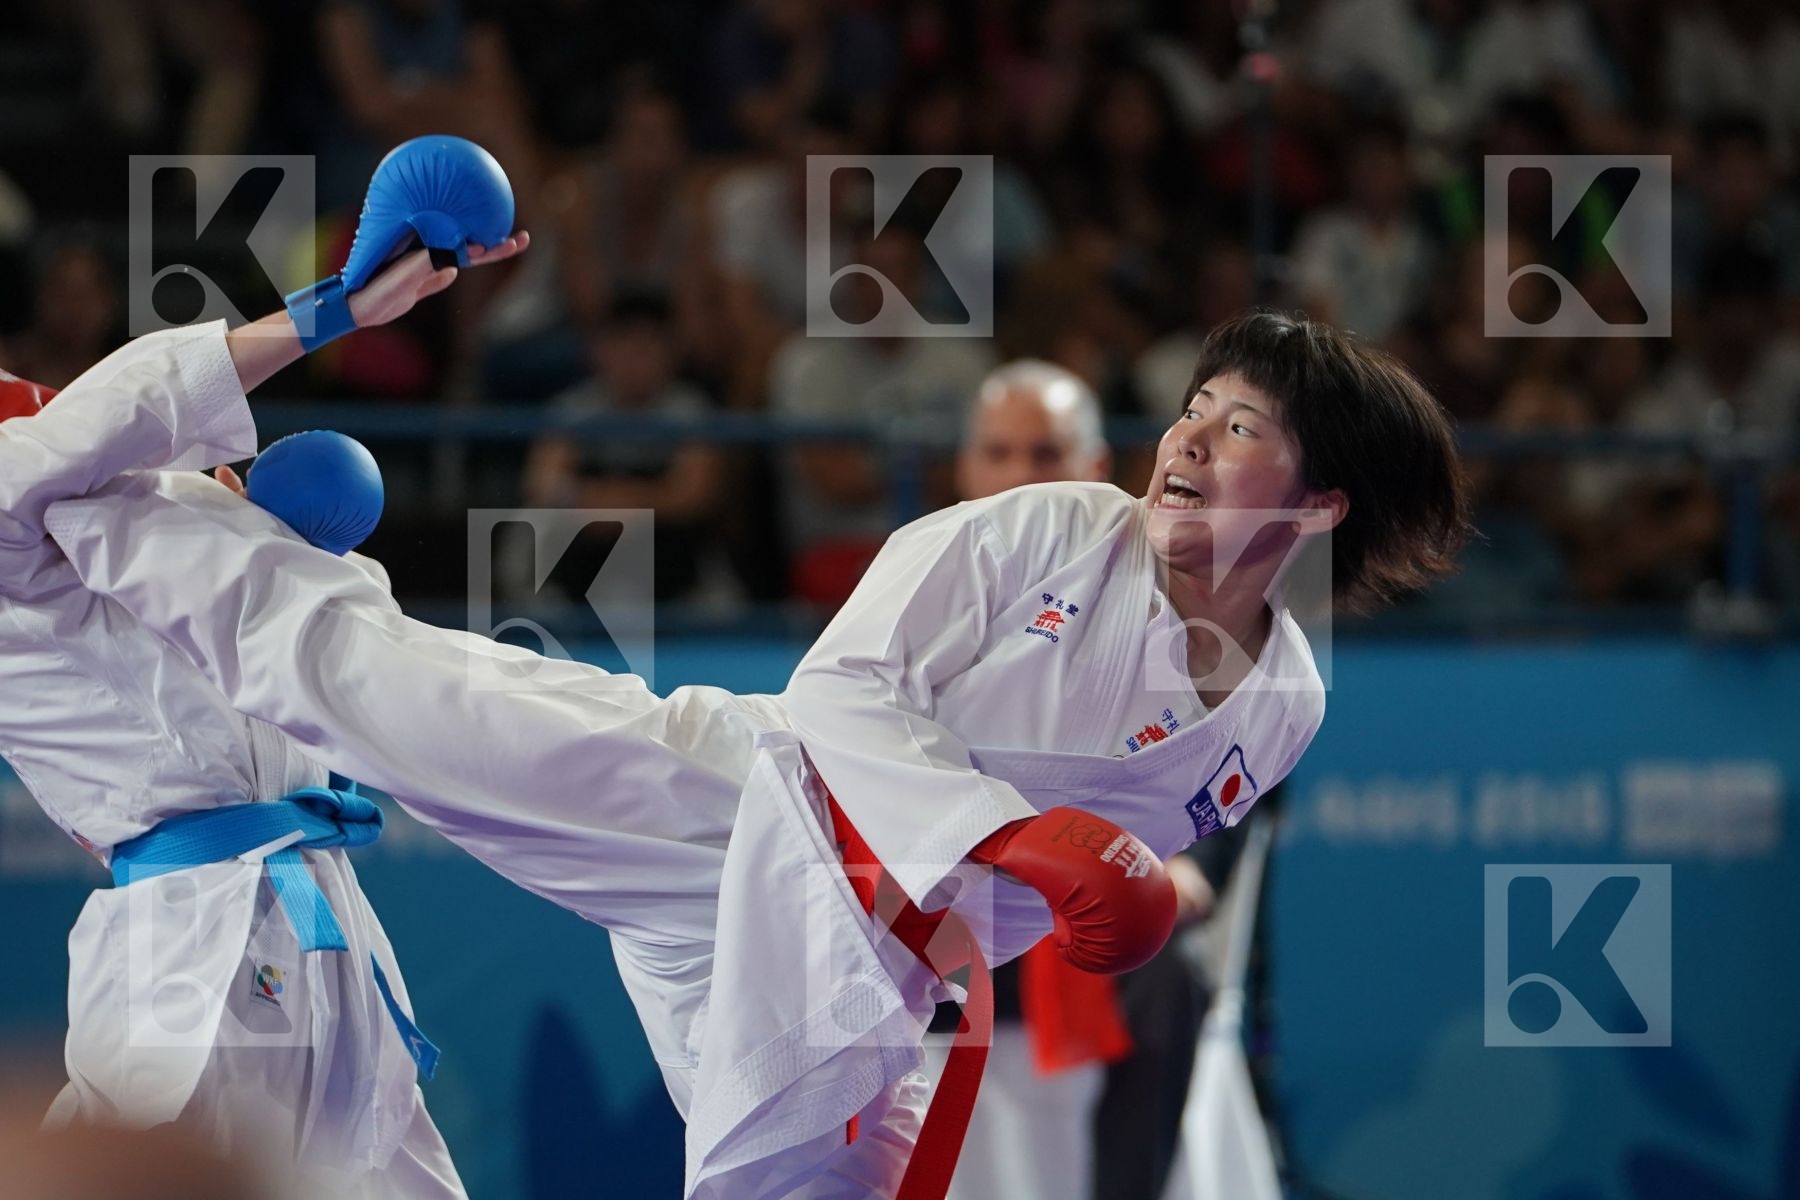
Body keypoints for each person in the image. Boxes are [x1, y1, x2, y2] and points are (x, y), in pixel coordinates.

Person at [37, 311, 1468, 1199]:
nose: (1192, 442)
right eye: (1196, 410)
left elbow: (1082, 868)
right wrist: (1008, 837)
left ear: (1324, 504)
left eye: (1244, 428)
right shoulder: (1042, 531)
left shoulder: (1286, 704)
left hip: (861, 962)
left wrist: (1061, 881)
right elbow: (843, 688)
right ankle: (111, 505)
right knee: (393, 682)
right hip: (736, 811)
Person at [0, 236, 525, 1196]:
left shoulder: (122, 537)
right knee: (143, 1177)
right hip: (190, 932)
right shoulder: (18, 518)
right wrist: (331, 313)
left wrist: (268, 533)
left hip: (321, 917)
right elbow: (122, 412)